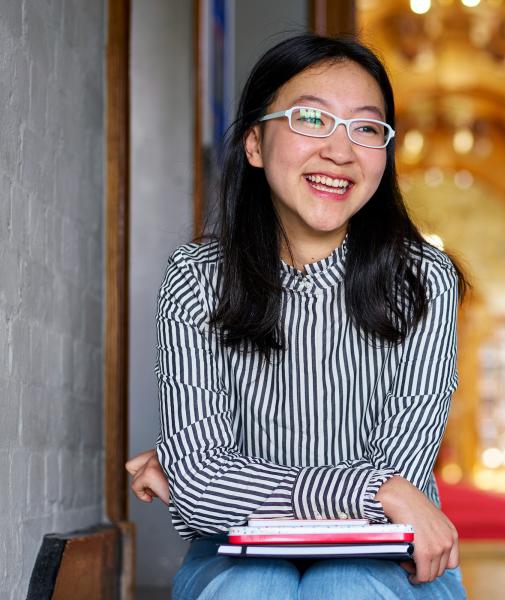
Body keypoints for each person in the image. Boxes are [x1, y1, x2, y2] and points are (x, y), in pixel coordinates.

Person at [124, 32, 468, 599]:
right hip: (234, 554)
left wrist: (212, 479)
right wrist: (374, 489)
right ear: (255, 143)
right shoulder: (196, 277)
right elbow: (202, 484)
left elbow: (400, 492)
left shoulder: (423, 279)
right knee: (252, 583)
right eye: (312, 119)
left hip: (393, 562)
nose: (340, 150)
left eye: (365, 127)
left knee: (346, 583)